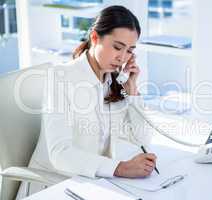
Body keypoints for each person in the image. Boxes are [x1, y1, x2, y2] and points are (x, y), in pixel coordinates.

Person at [17, 5, 156, 198]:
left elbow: (142, 140)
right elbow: (60, 154)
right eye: (117, 47)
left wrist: (132, 89)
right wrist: (121, 168)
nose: (122, 58)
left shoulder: (113, 80)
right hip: (54, 185)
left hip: (93, 183)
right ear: (95, 38)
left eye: (130, 51)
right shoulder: (61, 78)